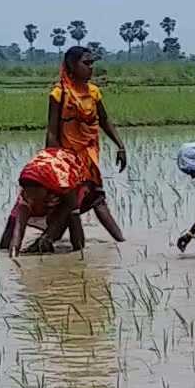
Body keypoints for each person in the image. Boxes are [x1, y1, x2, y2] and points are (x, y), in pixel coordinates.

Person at [46, 46, 127, 245]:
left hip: (90, 156)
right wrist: (54, 161)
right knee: (73, 205)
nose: (91, 68)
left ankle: (122, 243)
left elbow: (104, 120)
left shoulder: (93, 92)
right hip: (69, 158)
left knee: (96, 197)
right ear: (72, 66)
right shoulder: (59, 94)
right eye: (86, 63)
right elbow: (52, 131)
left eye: (92, 63)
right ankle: (51, 239)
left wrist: (120, 146)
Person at [0, 148, 84, 258]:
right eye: (29, 194)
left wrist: (48, 235)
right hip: (43, 174)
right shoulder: (26, 197)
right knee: (4, 245)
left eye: (35, 193)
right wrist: (13, 258)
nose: (32, 198)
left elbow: (71, 206)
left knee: (73, 228)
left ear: (45, 188)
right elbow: (18, 232)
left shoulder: (64, 184)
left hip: (69, 177)